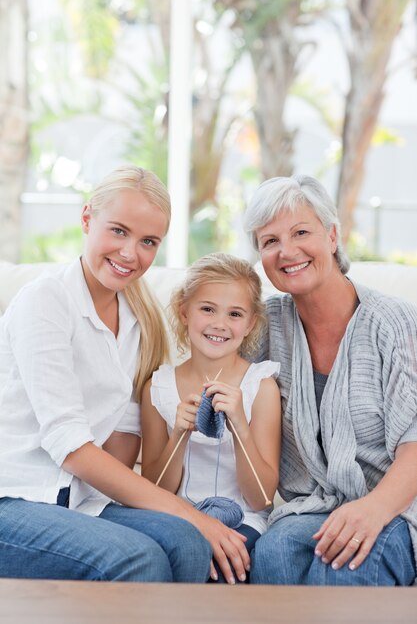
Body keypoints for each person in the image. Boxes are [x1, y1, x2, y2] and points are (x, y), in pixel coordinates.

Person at [0, 165, 250, 584]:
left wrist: (178, 521)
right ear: (86, 219)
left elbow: (120, 440)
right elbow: (72, 447)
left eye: (148, 241)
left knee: (187, 542)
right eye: (118, 231)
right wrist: (189, 513)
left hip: (82, 501)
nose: (130, 253)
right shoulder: (45, 301)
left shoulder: (139, 320)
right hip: (16, 496)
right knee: (137, 559)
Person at [242, 174, 417, 586]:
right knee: (274, 554)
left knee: (340, 568)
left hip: (394, 506)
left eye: (301, 232)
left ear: (332, 236)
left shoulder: (395, 322)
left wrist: (373, 510)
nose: (287, 251)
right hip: (310, 507)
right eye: (269, 241)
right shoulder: (266, 326)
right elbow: (217, 376)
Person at [141, 252, 281, 584]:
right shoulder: (157, 388)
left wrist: (240, 429)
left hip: (244, 519)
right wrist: (179, 433)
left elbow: (261, 497)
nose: (219, 324)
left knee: (222, 564)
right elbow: (154, 491)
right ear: (183, 311)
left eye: (235, 314)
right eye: (207, 309)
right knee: (178, 555)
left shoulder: (260, 386)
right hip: (178, 518)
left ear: (249, 325)